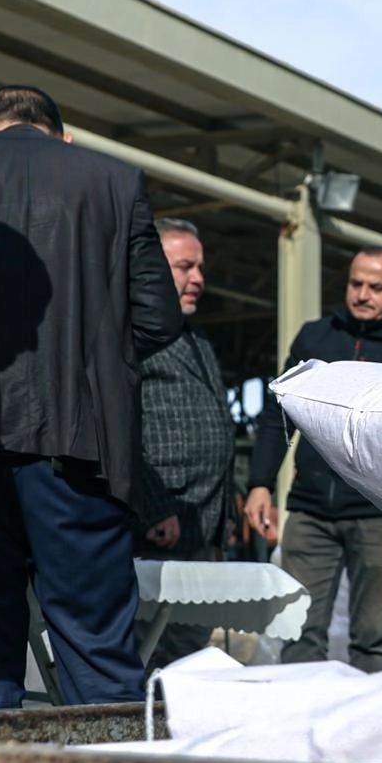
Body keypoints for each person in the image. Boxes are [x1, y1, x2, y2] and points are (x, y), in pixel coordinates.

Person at [0, 84, 181, 709]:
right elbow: (159, 317)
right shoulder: (114, 178)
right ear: (63, 135)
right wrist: (95, 363)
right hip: (80, 445)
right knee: (97, 648)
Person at [243, 248, 382, 673]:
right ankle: (300, 712)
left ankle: (368, 714)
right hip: (310, 510)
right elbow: (278, 413)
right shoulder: (315, 338)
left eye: (376, 287)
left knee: (374, 636)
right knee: (298, 631)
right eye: (355, 283)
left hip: (378, 513)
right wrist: (260, 483)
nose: (362, 294)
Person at [132, 218, 238, 668]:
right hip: (158, 524)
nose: (198, 278)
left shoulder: (196, 337)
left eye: (200, 267)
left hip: (202, 524)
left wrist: (226, 513)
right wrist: (152, 504)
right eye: (184, 267)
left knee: (188, 650)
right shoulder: (129, 333)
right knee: (145, 650)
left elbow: (217, 425)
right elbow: (119, 428)